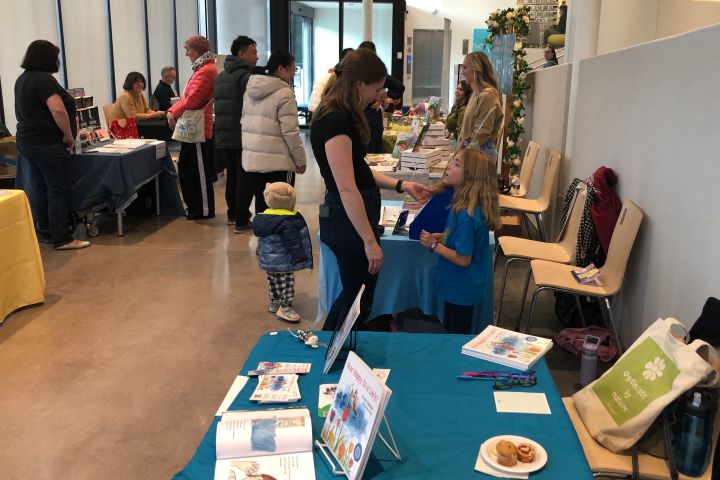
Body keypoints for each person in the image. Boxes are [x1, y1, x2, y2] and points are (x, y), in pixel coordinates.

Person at [311, 48, 429, 332]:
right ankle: (333, 355)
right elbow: (347, 188)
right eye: (377, 88)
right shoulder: (335, 120)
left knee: (356, 295)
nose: (380, 95)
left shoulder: (345, 114)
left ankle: (332, 351)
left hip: (352, 218)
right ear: (358, 84)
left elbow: (360, 172)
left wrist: (402, 184)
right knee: (356, 299)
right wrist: (369, 240)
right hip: (347, 220)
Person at [14, 40, 89, 250]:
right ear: (47, 58)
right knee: (58, 189)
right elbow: (57, 110)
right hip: (47, 142)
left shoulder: (22, 79)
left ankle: (46, 231)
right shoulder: (45, 80)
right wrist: (68, 135)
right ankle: (62, 238)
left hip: (27, 141)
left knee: (40, 187)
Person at [418, 149, 501, 334]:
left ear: (471, 176)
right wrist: (443, 236)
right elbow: (461, 239)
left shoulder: (465, 215)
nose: (448, 166)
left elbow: (463, 259)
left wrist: (434, 245)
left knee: (455, 335)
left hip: (461, 289)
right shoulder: (463, 207)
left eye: (457, 164)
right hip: (460, 288)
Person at [242, 50, 307, 213]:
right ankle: (278, 239)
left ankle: (264, 239)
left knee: (263, 206)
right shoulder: (284, 92)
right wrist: (300, 160)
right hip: (278, 162)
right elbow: (290, 131)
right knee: (281, 207)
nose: (294, 73)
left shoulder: (250, 89)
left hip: (254, 160)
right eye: (292, 69)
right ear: (281, 69)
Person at [166, 35, 217, 219]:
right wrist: (173, 110)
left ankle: (203, 209)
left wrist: (172, 112)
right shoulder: (202, 69)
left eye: (188, 49)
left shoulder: (206, 71)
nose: (186, 53)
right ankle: (196, 207)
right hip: (194, 129)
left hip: (198, 130)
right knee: (189, 170)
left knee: (198, 172)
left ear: (198, 49)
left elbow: (192, 100)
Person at [214, 35, 257, 228]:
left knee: (232, 175)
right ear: (241, 53)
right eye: (253, 52)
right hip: (242, 135)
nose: (256, 57)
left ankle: (232, 214)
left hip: (224, 135)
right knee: (244, 178)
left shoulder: (221, 76)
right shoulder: (245, 77)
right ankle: (241, 217)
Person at [253, 182, 312, 323]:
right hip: (284, 261)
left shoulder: (263, 217)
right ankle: (285, 307)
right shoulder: (287, 222)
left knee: (273, 280)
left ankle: (274, 302)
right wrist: (300, 257)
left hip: (269, 260)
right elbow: (293, 242)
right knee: (286, 284)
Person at [356, 41, 405, 153]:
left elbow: (399, 87)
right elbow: (399, 87)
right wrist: (385, 95)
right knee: (372, 152)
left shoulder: (361, 73)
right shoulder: (376, 72)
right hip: (371, 116)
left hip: (367, 115)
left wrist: (384, 96)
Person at [459, 51, 504, 163]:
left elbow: (481, 134)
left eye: (465, 68)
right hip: (474, 151)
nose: (462, 72)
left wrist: (462, 155)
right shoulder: (476, 94)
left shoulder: (487, 95)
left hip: (480, 156)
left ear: (476, 69)